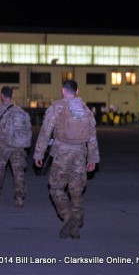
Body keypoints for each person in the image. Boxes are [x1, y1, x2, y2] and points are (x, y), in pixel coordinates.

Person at [34, 80, 100, 239]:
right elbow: (92, 136)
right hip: (80, 154)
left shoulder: (56, 107)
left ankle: (68, 217)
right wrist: (93, 158)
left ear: (63, 90)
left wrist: (39, 153)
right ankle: (77, 223)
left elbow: (45, 133)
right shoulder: (86, 111)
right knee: (76, 190)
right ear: (77, 91)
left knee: (56, 188)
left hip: (62, 153)